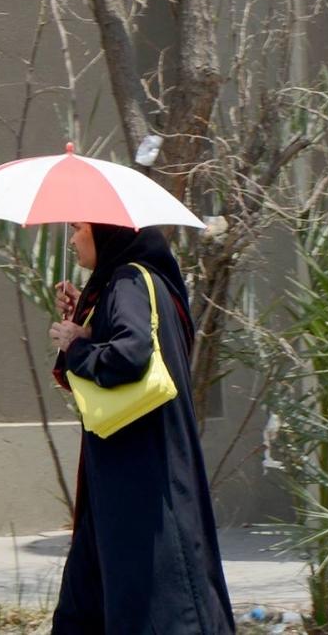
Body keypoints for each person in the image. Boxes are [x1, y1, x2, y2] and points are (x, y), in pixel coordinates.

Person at [48, 223, 234, 633]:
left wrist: (76, 345)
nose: (72, 239)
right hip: (134, 469)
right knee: (96, 592)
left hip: (137, 474)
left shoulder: (128, 280)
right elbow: (129, 342)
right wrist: (87, 322)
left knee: (152, 599)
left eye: (78, 228)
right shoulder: (142, 280)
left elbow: (130, 356)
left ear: (104, 231)